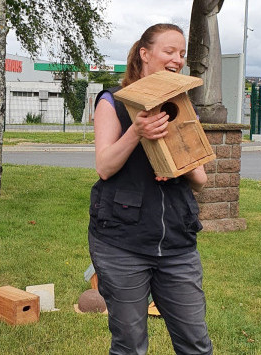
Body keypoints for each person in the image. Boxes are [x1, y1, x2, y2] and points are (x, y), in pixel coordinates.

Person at [88, 23, 213, 355]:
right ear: (145, 54)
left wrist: (176, 164)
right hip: (122, 242)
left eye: (182, 53)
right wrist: (137, 132)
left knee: (196, 344)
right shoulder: (112, 101)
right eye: (169, 51)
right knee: (129, 344)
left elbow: (200, 179)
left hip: (176, 243)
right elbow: (104, 166)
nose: (178, 59)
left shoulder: (181, 105)